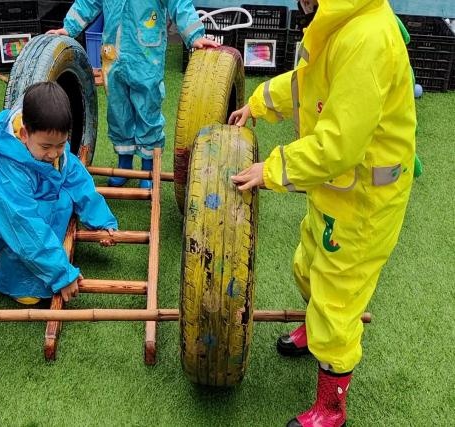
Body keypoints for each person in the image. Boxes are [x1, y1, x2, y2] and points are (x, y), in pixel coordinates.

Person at [228, 0, 416, 425]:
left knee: (337, 300)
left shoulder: (366, 39)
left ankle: (331, 408)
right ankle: (315, 331)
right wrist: (258, 103)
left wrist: (272, 169)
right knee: (307, 265)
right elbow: (308, 84)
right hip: (334, 190)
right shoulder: (334, 19)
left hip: (364, 201)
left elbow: (338, 145)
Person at [0, 81, 118, 305]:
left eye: (61, 145)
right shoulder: (8, 167)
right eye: (46, 147)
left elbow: (76, 177)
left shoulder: (47, 140)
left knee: (63, 198)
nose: (54, 153)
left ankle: (43, 261)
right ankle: (17, 281)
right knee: (21, 228)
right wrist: (62, 274)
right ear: (24, 134)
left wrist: (102, 220)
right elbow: (21, 222)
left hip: (27, 205)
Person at [47, 1, 219, 188]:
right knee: (118, 112)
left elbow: (179, 3)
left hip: (146, 58)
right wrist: (69, 28)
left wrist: (195, 36)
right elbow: (88, 2)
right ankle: (124, 162)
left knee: (148, 112)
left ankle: (148, 167)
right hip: (113, 58)